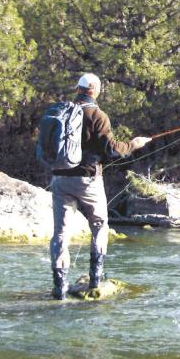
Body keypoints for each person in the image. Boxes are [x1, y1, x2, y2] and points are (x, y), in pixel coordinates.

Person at [49, 72, 151, 300]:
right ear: (95, 90)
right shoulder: (97, 115)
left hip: (59, 178)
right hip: (88, 180)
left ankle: (60, 286)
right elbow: (112, 150)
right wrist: (133, 144)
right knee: (99, 225)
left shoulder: (60, 111)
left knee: (61, 233)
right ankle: (96, 278)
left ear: (78, 88)